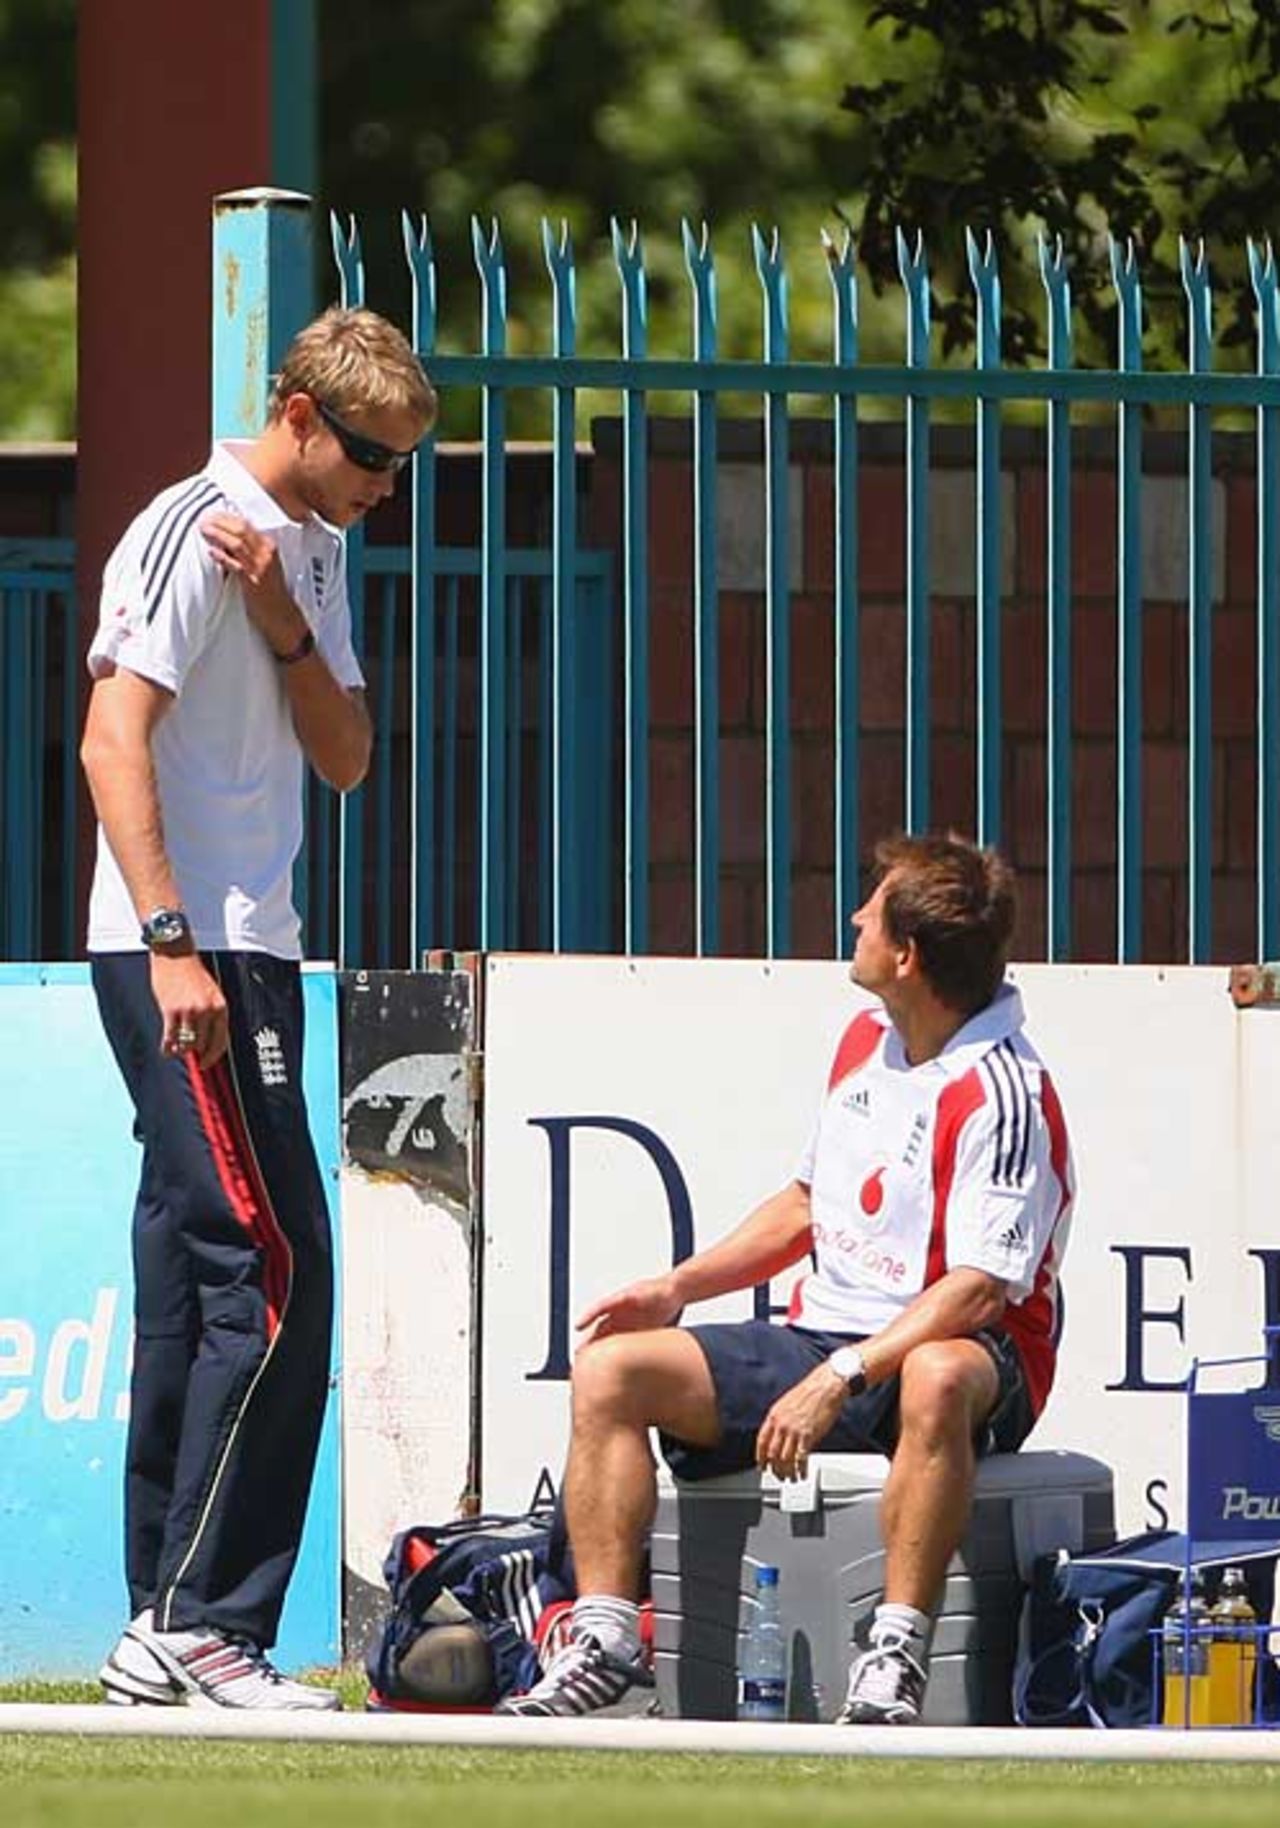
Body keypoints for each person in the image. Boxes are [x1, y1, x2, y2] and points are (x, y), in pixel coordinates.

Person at [497, 832, 1075, 1724]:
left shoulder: (1003, 1092)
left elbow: (979, 1291)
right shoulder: (864, 1040)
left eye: (872, 908)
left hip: (970, 1352)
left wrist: (840, 1376)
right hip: (824, 1342)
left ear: (907, 955)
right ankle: (608, 1639)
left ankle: (896, 1652)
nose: (854, 918)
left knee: (936, 1372)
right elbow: (808, 1205)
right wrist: (677, 1286)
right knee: (614, 1371)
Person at [80, 306, 437, 1709]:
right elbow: (115, 740)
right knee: (276, 1273)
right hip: (184, 951)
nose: (380, 484)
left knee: (193, 1279)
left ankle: (156, 1627)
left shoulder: (314, 554)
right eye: (366, 454)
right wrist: (170, 944)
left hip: (255, 954)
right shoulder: (181, 527)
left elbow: (345, 758)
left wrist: (290, 615)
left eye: (401, 465)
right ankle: (201, 1619)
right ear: (295, 411)